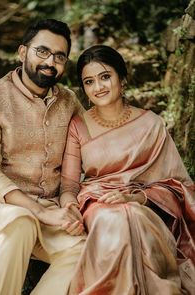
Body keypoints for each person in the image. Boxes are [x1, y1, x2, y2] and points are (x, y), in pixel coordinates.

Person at [0, 19, 86, 295]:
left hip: (49, 210)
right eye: (42, 51)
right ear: (22, 52)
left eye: (59, 56)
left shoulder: (70, 103)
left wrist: (70, 201)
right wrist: (37, 210)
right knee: (21, 221)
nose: (50, 62)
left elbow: (80, 160)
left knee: (82, 249)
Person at [60, 45, 195, 294]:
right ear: (85, 89)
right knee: (116, 218)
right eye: (89, 81)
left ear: (122, 79)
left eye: (105, 77)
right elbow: (69, 185)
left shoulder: (151, 123)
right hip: (97, 202)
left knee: (133, 216)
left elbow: (176, 185)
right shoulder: (78, 126)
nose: (98, 87)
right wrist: (69, 208)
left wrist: (135, 197)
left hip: (142, 203)